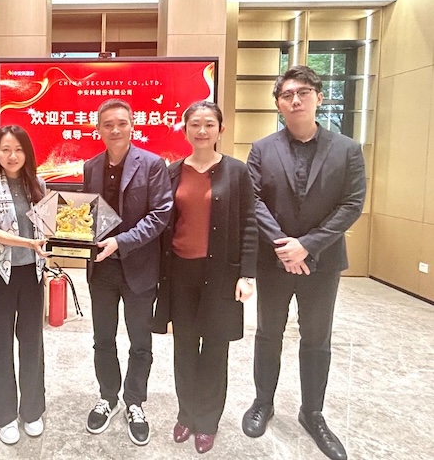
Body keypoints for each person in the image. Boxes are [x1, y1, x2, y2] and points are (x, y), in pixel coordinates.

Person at [242, 65, 366, 460]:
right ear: (278, 104)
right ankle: (263, 402)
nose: (295, 100)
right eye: (287, 95)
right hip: (274, 260)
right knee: (268, 334)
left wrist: (307, 246)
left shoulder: (347, 149)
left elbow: (352, 203)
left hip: (322, 262)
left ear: (319, 97)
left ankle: (313, 413)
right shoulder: (262, 148)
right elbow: (253, 200)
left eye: (303, 92)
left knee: (317, 339)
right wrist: (285, 246)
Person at [152, 101, 257, 454]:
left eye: (209, 124)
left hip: (220, 274)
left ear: (220, 130)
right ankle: (187, 414)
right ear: (185, 130)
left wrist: (247, 274)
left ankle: (208, 421)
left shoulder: (237, 172)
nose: (201, 130)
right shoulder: (172, 172)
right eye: (195, 124)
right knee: (184, 347)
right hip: (179, 272)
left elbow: (249, 223)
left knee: (214, 348)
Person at [83, 98, 173, 446]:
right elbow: (88, 215)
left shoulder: (152, 164)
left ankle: (135, 401)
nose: (115, 129)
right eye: (108, 124)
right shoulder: (91, 166)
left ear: (132, 126)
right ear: (98, 129)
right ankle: (108, 397)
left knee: (140, 342)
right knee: (103, 339)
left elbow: (160, 214)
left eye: (122, 123)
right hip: (102, 270)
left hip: (139, 268)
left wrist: (121, 242)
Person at [0, 124, 49, 445]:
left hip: (32, 274)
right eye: (6, 149)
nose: (12, 155)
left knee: (32, 341)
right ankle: (2, 415)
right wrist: (29, 243)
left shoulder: (39, 184)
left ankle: (32, 411)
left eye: (18, 150)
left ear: (27, 153)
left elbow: (47, 228)